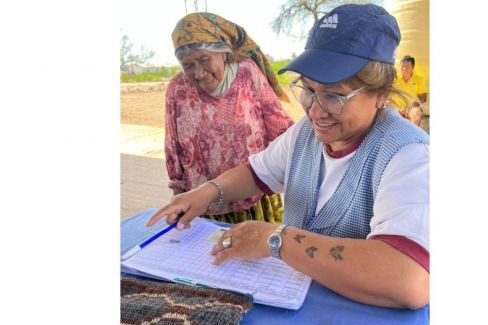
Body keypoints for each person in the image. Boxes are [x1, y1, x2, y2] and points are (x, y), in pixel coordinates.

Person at [148, 4, 429, 309]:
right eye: (308, 90)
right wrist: (206, 192)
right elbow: (256, 173)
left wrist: (275, 239)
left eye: (334, 95)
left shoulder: (409, 155)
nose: (315, 111)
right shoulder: (306, 133)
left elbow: (406, 279)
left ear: (382, 93)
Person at [165, 12, 293, 224]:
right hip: (202, 202)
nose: (198, 73)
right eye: (188, 65)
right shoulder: (178, 87)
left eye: (204, 60)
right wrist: (178, 194)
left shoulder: (247, 73)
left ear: (223, 53)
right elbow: (173, 145)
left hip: (252, 196)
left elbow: (278, 125)